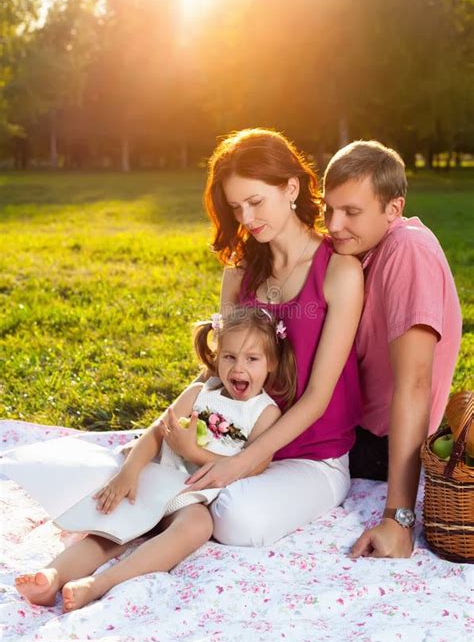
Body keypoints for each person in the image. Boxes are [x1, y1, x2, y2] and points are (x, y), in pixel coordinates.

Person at [188, 137, 462, 559]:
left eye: (351, 212)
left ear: (394, 208)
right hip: (289, 427)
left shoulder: (407, 250)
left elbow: (417, 384)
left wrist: (399, 517)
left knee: (230, 510)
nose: (333, 226)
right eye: (331, 209)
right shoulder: (351, 253)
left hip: (374, 443)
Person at [15, 307, 289, 612]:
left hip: (192, 497)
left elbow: (255, 465)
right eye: (230, 357)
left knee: (198, 526)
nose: (239, 368)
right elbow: (157, 432)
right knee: (112, 525)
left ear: (271, 364)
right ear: (217, 356)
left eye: (252, 359)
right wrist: (130, 472)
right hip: (159, 477)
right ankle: (53, 575)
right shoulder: (200, 391)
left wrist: (194, 453)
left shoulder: (265, 413)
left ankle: (99, 584)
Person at [189, 127, 364, 548]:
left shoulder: (340, 272)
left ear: (290, 187)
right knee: (144, 480)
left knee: (234, 517)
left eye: (255, 202)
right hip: (232, 439)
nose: (246, 219)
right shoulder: (238, 274)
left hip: (312, 458)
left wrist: (237, 467)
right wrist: (170, 427)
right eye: (236, 207)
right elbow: (220, 372)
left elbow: (318, 397)